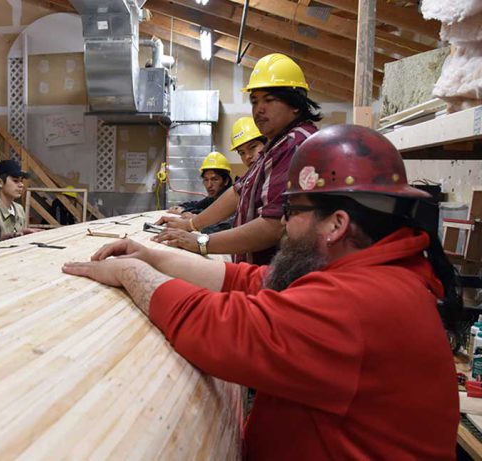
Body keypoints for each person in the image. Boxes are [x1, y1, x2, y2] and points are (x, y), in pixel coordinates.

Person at [63, 125, 460, 459]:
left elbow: (219, 328)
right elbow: (251, 281)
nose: (283, 226)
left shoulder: (359, 304)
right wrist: (152, 256)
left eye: (292, 213)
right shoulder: (372, 272)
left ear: (336, 224)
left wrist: (132, 274)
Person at [155, 53, 321, 264]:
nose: (259, 109)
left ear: (295, 104)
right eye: (254, 101)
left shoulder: (295, 145)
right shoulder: (275, 145)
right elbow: (237, 192)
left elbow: (273, 226)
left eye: (269, 100)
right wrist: (191, 225)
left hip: (275, 277)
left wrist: (200, 242)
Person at [0, 159, 40, 240]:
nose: (21, 185)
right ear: (0, 182)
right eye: (15, 181)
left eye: (21, 181)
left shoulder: (19, 209)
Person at [168, 151, 233, 216]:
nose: (209, 185)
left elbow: (212, 214)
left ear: (226, 181)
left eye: (214, 179)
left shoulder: (231, 199)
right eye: (206, 180)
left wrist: (184, 212)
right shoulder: (212, 198)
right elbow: (197, 205)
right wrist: (179, 207)